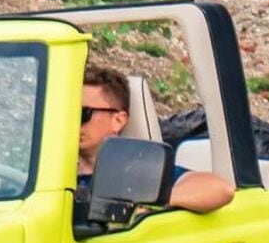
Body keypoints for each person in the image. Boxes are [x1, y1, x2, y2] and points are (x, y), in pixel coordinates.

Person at [78, 65, 235, 214]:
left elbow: (220, 189)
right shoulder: (56, 168)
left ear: (118, 120)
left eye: (83, 114)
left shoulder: (138, 171)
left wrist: (147, 204)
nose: (72, 121)